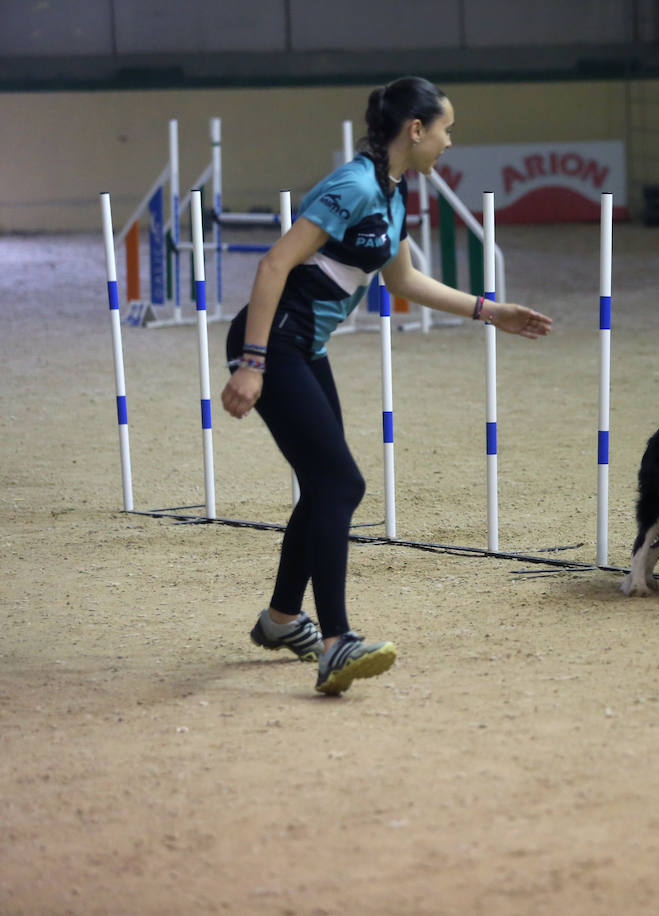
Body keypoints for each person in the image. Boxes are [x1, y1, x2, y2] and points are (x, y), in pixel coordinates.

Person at [221, 76, 553, 694]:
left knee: (324, 486)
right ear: (416, 129)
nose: (450, 143)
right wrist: (253, 362)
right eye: (446, 129)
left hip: (304, 347)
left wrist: (490, 310)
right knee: (340, 483)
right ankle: (336, 641)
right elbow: (274, 265)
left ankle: (281, 620)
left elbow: (401, 281)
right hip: (276, 344)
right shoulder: (351, 187)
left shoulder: (391, 191)